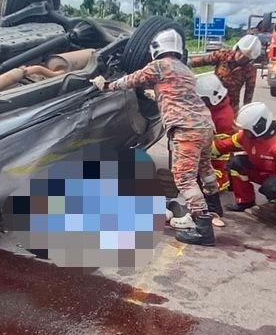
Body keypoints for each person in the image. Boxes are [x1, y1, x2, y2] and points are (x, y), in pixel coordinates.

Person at [93, 29, 223, 246]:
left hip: (186, 128)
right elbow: (179, 94)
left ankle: (203, 228)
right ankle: (214, 206)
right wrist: (156, 95)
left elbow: (132, 80)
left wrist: (106, 85)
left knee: (183, 177)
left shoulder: (159, 66)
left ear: (157, 48)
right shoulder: (185, 70)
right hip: (205, 125)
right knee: (205, 168)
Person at [215, 102, 276, 217]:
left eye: (247, 130)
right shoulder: (248, 136)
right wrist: (205, 151)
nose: (244, 132)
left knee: (270, 187)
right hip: (261, 171)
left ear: (258, 127)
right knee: (236, 163)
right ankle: (245, 201)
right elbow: (226, 145)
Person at [195, 72, 235, 227]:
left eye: (202, 99)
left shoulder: (223, 118)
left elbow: (219, 149)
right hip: (210, 152)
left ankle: (210, 211)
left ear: (212, 97)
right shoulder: (217, 107)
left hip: (215, 159)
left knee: (207, 178)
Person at [189, 35, 263, 111]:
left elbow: (249, 92)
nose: (241, 57)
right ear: (237, 49)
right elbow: (203, 60)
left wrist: (246, 110)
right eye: (240, 53)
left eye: (245, 57)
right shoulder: (223, 55)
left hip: (231, 106)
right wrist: (186, 64)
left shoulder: (250, 69)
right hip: (212, 100)